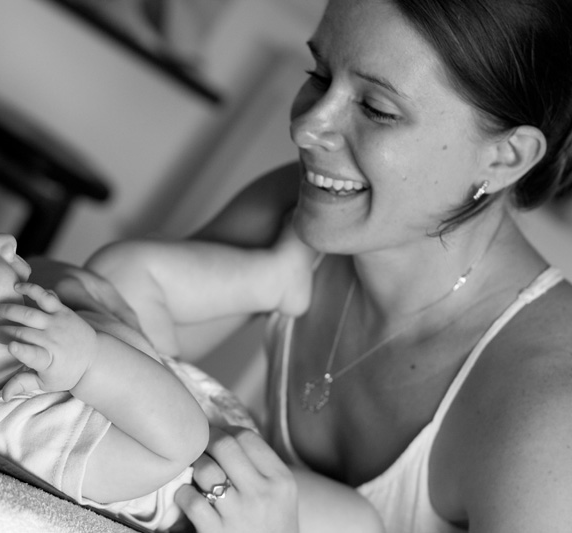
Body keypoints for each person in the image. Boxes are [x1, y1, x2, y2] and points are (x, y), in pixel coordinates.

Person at [99, 0, 571, 531]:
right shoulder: (301, 213)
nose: (307, 127)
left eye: (377, 108)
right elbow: (104, 314)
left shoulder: (551, 410)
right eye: (319, 75)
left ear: (505, 157)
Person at [0, 169, 379, 531]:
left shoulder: (3, 360)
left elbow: (45, 279)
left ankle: (275, 279)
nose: (6, 239)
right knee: (357, 522)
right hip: (228, 481)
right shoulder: (28, 433)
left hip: (163, 373)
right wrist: (89, 359)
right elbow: (179, 439)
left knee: (120, 265)